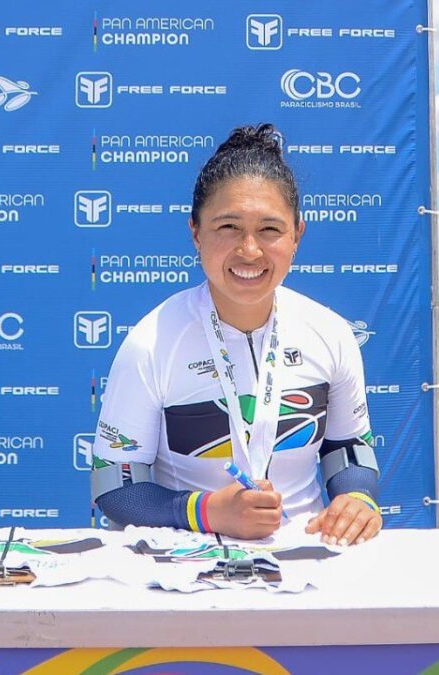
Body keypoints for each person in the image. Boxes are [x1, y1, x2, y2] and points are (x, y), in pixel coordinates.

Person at [90, 123, 382, 546]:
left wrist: (357, 499)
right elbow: (114, 486)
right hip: (186, 567)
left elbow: (347, 449)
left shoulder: (330, 333)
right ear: (195, 231)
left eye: (270, 229)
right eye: (228, 227)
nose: (249, 250)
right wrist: (205, 511)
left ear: (297, 235)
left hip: (306, 560)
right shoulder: (151, 343)